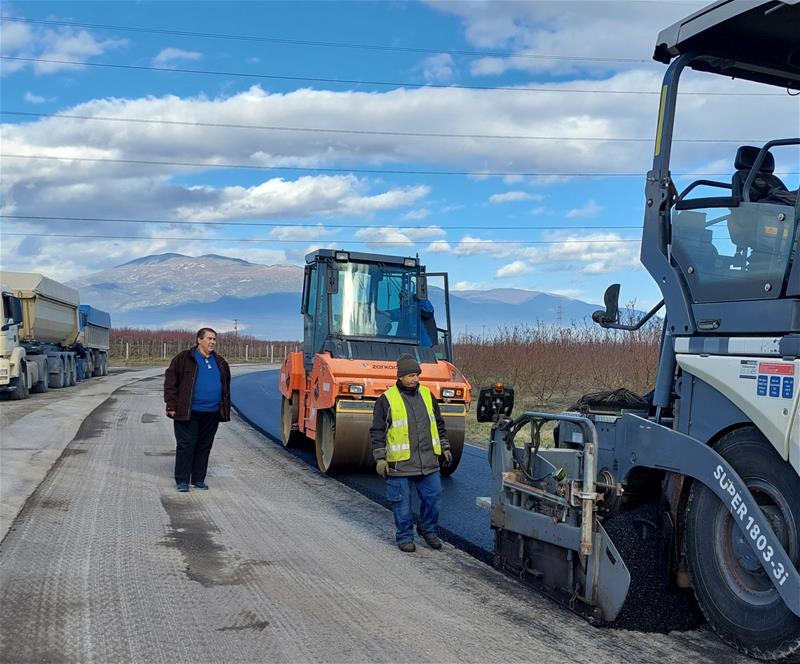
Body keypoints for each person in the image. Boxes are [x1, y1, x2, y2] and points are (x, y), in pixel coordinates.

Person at [370, 354, 452, 552]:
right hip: (400, 464)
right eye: (411, 375)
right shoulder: (386, 400)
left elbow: (438, 423)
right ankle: (405, 536)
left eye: (417, 375)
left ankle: (427, 528)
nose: (415, 379)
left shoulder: (427, 395)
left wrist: (445, 446)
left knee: (434, 497)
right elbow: (378, 431)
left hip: (428, 461)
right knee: (402, 504)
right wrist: (380, 458)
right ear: (400, 377)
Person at [163, 327, 231, 492]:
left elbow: (226, 387)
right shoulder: (184, 359)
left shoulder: (220, 362)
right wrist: (171, 405)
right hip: (188, 411)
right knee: (186, 445)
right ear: (198, 340)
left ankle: (198, 479)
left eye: (214, 339)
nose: (212, 342)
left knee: (204, 445)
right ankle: (182, 480)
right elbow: (171, 382)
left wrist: (224, 407)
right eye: (209, 338)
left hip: (212, 412)